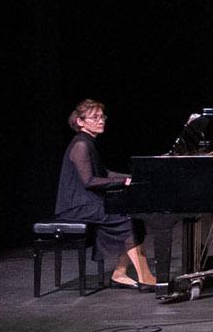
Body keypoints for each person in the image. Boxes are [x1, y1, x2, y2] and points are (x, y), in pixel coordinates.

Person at [53, 99, 156, 290]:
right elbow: (89, 181)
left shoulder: (88, 142)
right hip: (75, 205)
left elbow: (104, 173)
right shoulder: (81, 145)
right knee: (123, 216)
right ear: (81, 122)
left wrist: (132, 177)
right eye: (95, 117)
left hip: (87, 202)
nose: (101, 121)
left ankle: (120, 273)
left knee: (133, 216)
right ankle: (145, 277)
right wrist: (123, 181)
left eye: (102, 117)